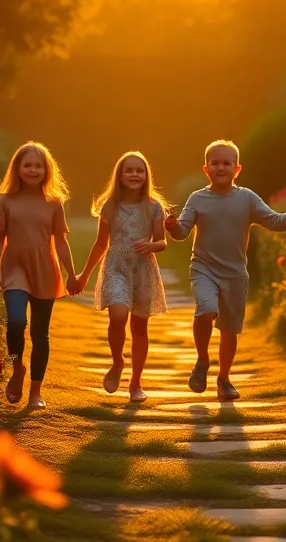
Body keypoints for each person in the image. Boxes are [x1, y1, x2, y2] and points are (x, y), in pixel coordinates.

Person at [165, 140, 286, 400]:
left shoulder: (247, 198)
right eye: (215, 163)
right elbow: (182, 232)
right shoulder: (197, 198)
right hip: (203, 268)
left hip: (236, 275)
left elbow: (275, 221)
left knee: (229, 330)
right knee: (206, 309)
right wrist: (171, 226)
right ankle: (202, 361)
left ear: (237, 169)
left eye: (226, 163)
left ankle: (224, 379)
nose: (221, 167)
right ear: (206, 169)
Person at [0, 141, 80, 409]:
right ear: (17, 169)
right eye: (27, 165)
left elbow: (61, 241)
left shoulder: (54, 203)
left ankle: (35, 392)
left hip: (44, 268)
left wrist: (72, 274)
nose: (33, 169)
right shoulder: (6, 201)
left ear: (46, 170)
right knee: (16, 322)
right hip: (15, 265)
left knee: (41, 333)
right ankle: (17, 368)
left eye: (38, 165)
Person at [75, 151, 170, 403]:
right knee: (118, 315)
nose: (134, 174)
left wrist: (152, 245)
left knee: (139, 328)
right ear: (120, 174)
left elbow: (162, 242)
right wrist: (84, 275)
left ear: (146, 175)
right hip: (116, 265)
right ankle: (117, 362)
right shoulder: (110, 206)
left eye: (139, 170)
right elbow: (100, 243)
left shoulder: (153, 206)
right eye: (129, 170)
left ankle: (136, 383)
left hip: (143, 268)